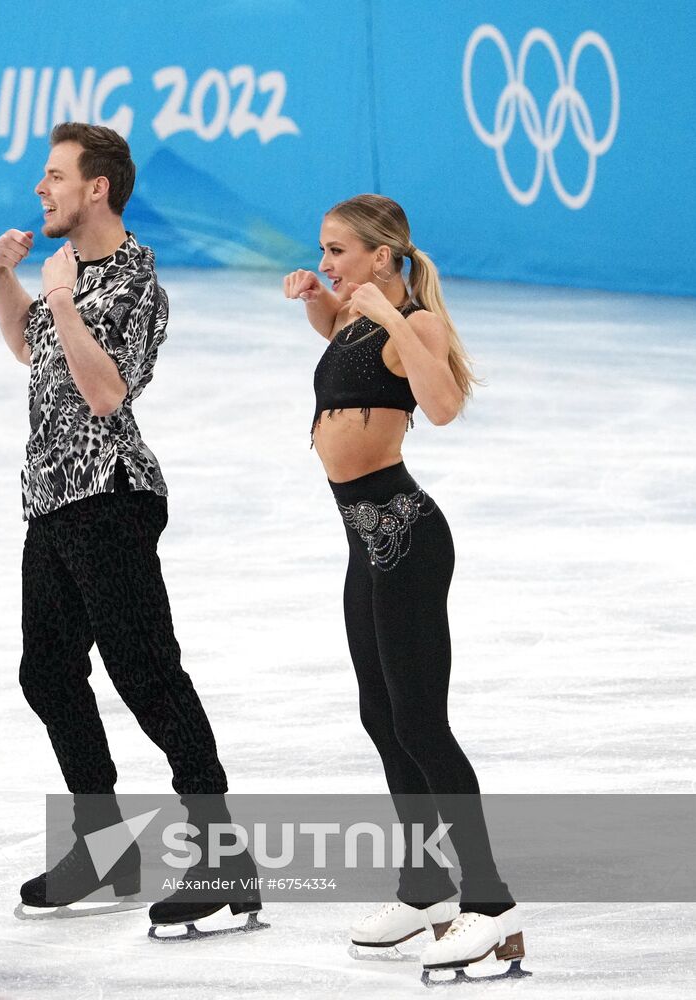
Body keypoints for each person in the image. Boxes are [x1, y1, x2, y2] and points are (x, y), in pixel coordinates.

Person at [0, 122, 261, 939]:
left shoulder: (134, 279)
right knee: (47, 672)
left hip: (109, 492)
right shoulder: (71, 275)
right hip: (53, 498)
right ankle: (102, 845)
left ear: (96, 187)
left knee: (146, 673)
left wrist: (61, 297)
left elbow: (106, 393)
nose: (41, 188)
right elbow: (26, 345)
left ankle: (223, 861)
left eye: (55, 175)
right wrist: (5, 277)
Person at [283, 194, 527, 981]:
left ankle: (489, 905)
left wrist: (389, 319)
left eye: (339, 253)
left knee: (420, 721)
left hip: (408, 540)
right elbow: (346, 350)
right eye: (323, 250)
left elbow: (444, 406)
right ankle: (424, 885)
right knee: (380, 715)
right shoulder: (356, 317)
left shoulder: (411, 321)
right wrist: (322, 302)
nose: (327, 261)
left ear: (383, 256)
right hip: (365, 543)